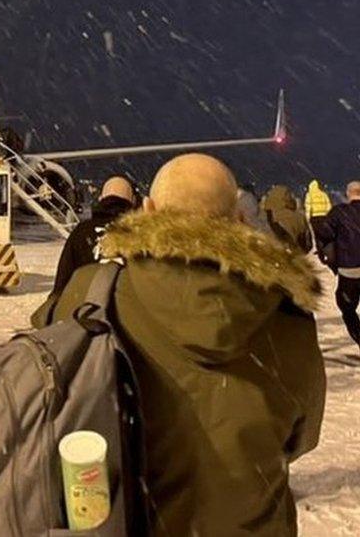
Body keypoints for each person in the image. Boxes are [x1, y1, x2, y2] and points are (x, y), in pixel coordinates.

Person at [33, 153, 326, 536]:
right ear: (239, 219)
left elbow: (45, 372)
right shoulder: (287, 318)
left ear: (149, 211)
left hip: (125, 521)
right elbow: (302, 436)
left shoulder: (91, 293)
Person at [34, 176, 135, 324]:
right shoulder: (143, 234)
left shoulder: (81, 232)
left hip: (86, 321)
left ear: (101, 198)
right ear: (133, 201)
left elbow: (61, 285)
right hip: (129, 323)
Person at [314, 181, 360, 354]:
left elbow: (324, 232)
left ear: (348, 194)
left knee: (347, 308)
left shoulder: (340, 213)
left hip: (349, 269)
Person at [262, 184, 313, 252]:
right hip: (291, 254)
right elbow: (307, 244)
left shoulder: (262, 214)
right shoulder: (297, 217)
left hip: (266, 253)